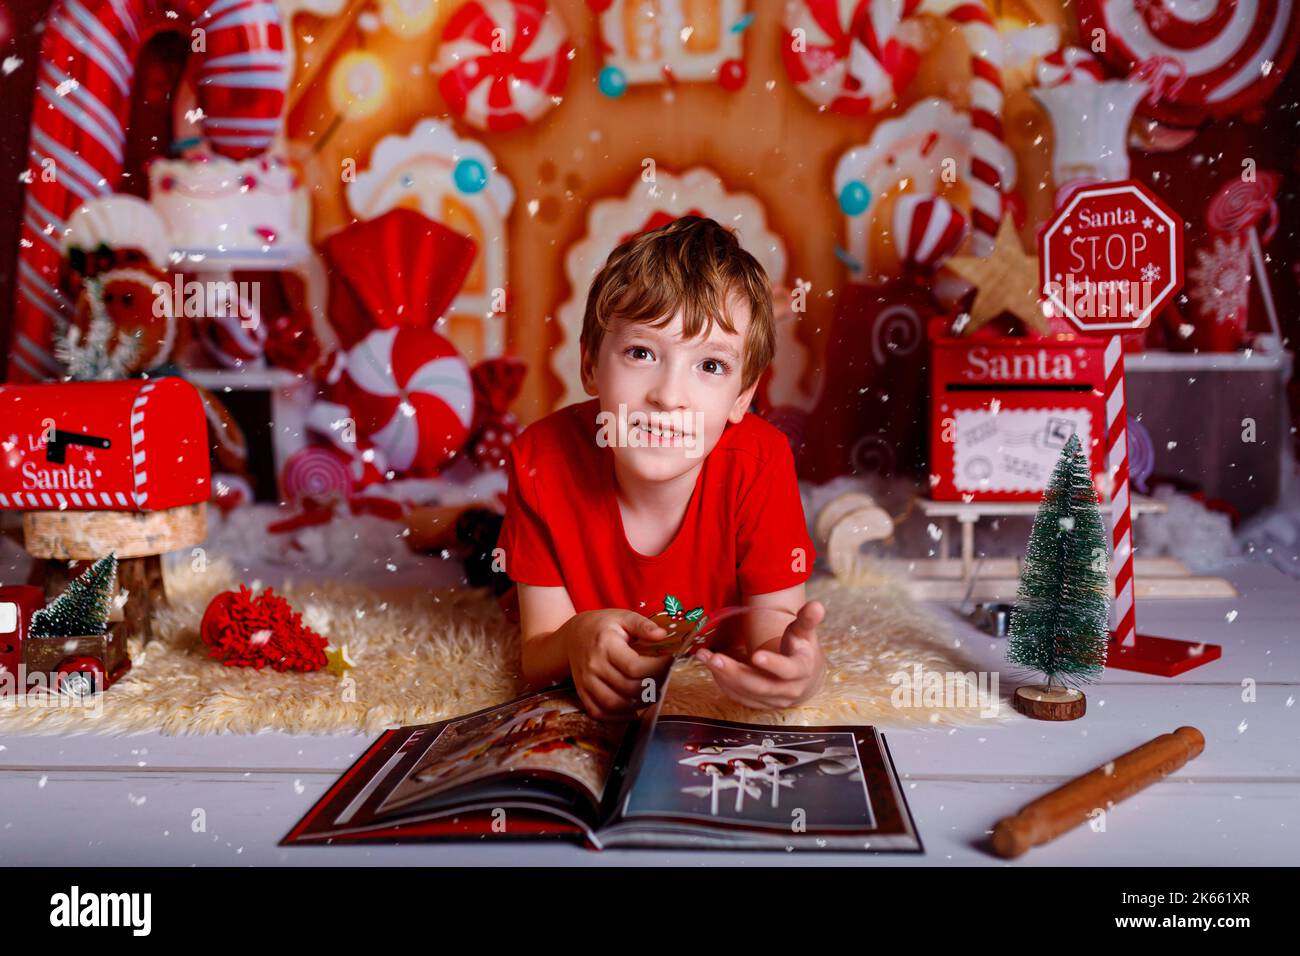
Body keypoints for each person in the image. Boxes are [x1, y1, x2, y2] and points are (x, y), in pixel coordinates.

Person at [497, 215, 825, 719]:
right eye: (641, 352)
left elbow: (774, 633)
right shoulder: (541, 460)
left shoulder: (761, 462)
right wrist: (575, 638)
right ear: (589, 366)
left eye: (710, 366)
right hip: (525, 547)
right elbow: (537, 653)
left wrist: (799, 669)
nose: (668, 396)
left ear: (742, 396)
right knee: (483, 563)